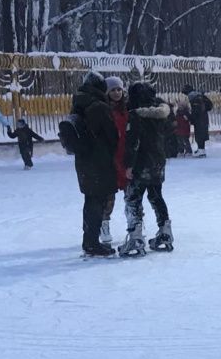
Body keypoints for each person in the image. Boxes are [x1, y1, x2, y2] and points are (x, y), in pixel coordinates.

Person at [119, 82, 175, 256]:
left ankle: (135, 235)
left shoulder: (136, 115)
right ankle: (165, 231)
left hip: (140, 162)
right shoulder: (162, 113)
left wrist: (128, 164)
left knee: (133, 198)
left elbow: (133, 142)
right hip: (158, 160)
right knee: (156, 195)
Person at [71, 72, 120, 257]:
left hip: (83, 160)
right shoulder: (99, 106)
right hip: (99, 160)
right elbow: (111, 135)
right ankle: (92, 243)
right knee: (97, 202)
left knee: (90, 200)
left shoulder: (79, 103)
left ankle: (89, 240)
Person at [102, 76, 130, 245]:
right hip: (110, 156)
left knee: (130, 194)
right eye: (113, 90)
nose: (116, 93)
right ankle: (104, 226)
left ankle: (133, 225)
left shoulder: (128, 108)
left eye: (119, 89)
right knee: (108, 196)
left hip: (126, 155)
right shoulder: (104, 109)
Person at [181, 84, 214, 157]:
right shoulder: (200, 96)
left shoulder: (194, 99)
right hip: (204, 118)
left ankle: (201, 151)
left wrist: (189, 116)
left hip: (199, 120)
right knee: (201, 134)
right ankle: (201, 150)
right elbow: (209, 106)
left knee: (199, 135)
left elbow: (195, 112)